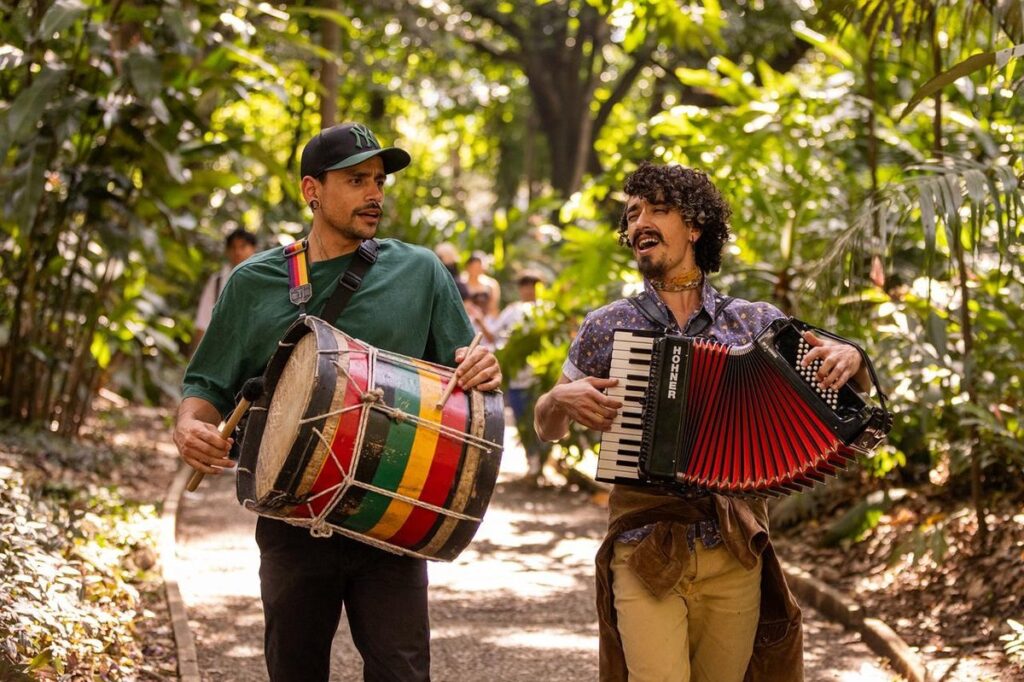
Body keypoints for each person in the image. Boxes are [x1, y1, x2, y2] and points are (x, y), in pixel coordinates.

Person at [173, 122, 502, 682]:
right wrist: (189, 427)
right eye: (356, 180)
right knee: (295, 669)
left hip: (392, 511)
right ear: (312, 190)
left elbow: (469, 364)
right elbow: (205, 386)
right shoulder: (253, 282)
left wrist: (485, 366)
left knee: (402, 673)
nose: (375, 194)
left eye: (379, 180)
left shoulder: (420, 271)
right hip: (290, 513)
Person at [533, 162, 869, 682]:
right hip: (645, 546)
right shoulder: (608, 326)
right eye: (633, 213)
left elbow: (840, 393)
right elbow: (545, 426)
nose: (640, 220)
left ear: (694, 227)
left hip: (734, 550)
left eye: (657, 209)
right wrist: (559, 398)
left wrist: (853, 359)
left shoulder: (755, 323)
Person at [493, 269, 551, 482]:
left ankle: (541, 466)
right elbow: (494, 334)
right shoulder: (512, 311)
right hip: (518, 380)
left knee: (545, 423)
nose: (528, 290)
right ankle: (532, 464)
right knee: (523, 423)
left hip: (542, 379)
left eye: (533, 285)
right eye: (525, 285)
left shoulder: (549, 311)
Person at [192, 227, 257, 349]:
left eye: (243, 247)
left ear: (253, 249)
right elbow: (203, 320)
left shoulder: (263, 278)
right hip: (222, 350)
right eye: (233, 247)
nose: (238, 252)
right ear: (227, 251)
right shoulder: (217, 281)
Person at [460, 250, 501, 317]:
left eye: (478, 267)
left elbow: (493, 307)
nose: (475, 270)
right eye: (473, 267)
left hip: (487, 320)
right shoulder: (461, 283)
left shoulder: (491, 284)